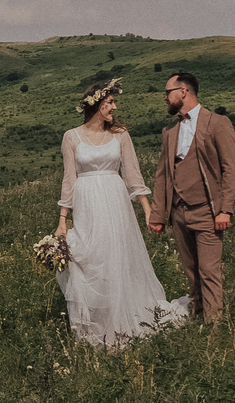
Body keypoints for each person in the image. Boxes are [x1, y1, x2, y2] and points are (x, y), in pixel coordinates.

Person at [52, 79, 189, 346]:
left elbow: (133, 175)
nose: (114, 107)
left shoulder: (120, 134)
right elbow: (69, 180)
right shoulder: (72, 137)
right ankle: (97, 325)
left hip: (115, 203)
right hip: (87, 204)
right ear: (96, 106)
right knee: (90, 257)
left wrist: (148, 210)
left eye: (114, 102)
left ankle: (122, 325)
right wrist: (62, 221)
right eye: (109, 103)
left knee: (116, 257)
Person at [146, 72, 235, 322]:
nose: (165, 98)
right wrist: (158, 215)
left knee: (209, 271)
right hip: (179, 212)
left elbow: (230, 168)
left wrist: (225, 209)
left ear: (183, 91)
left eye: (168, 92)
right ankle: (198, 321)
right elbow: (163, 175)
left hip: (208, 211)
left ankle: (215, 330)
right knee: (191, 272)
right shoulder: (170, 131)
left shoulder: (217, 123)